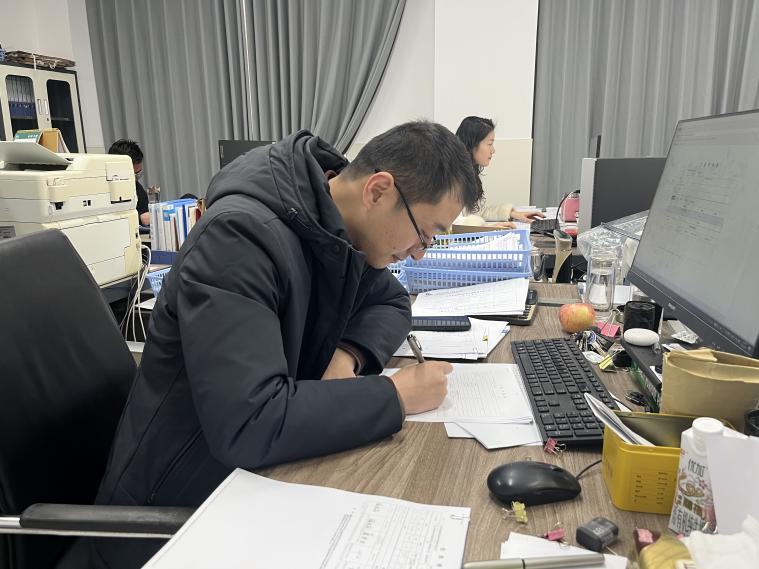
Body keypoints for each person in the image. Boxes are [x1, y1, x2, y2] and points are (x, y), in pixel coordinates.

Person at [88, 122, 481, 568]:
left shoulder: (334, 231)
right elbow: (249, 422)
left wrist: (348, 355)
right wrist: (393, 396)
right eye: (424, 234)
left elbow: (389, 301)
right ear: (378, 191)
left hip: (258, 485)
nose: (420, 253)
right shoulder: (238, 238)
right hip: (173, 515)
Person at [454, 116, 544, 228]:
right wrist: (488, 229)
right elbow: (451, 224)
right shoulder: (452, 176)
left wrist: (511, 213)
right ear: (473, 145)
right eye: (489, 144)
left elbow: (473, 212)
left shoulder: (467, 172)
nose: (493, 150)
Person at [108, 139, 151, 226]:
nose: (135, 179)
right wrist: (139, 218)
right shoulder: (103, 190)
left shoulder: (138, 189)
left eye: (138, 174)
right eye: (132, 175)